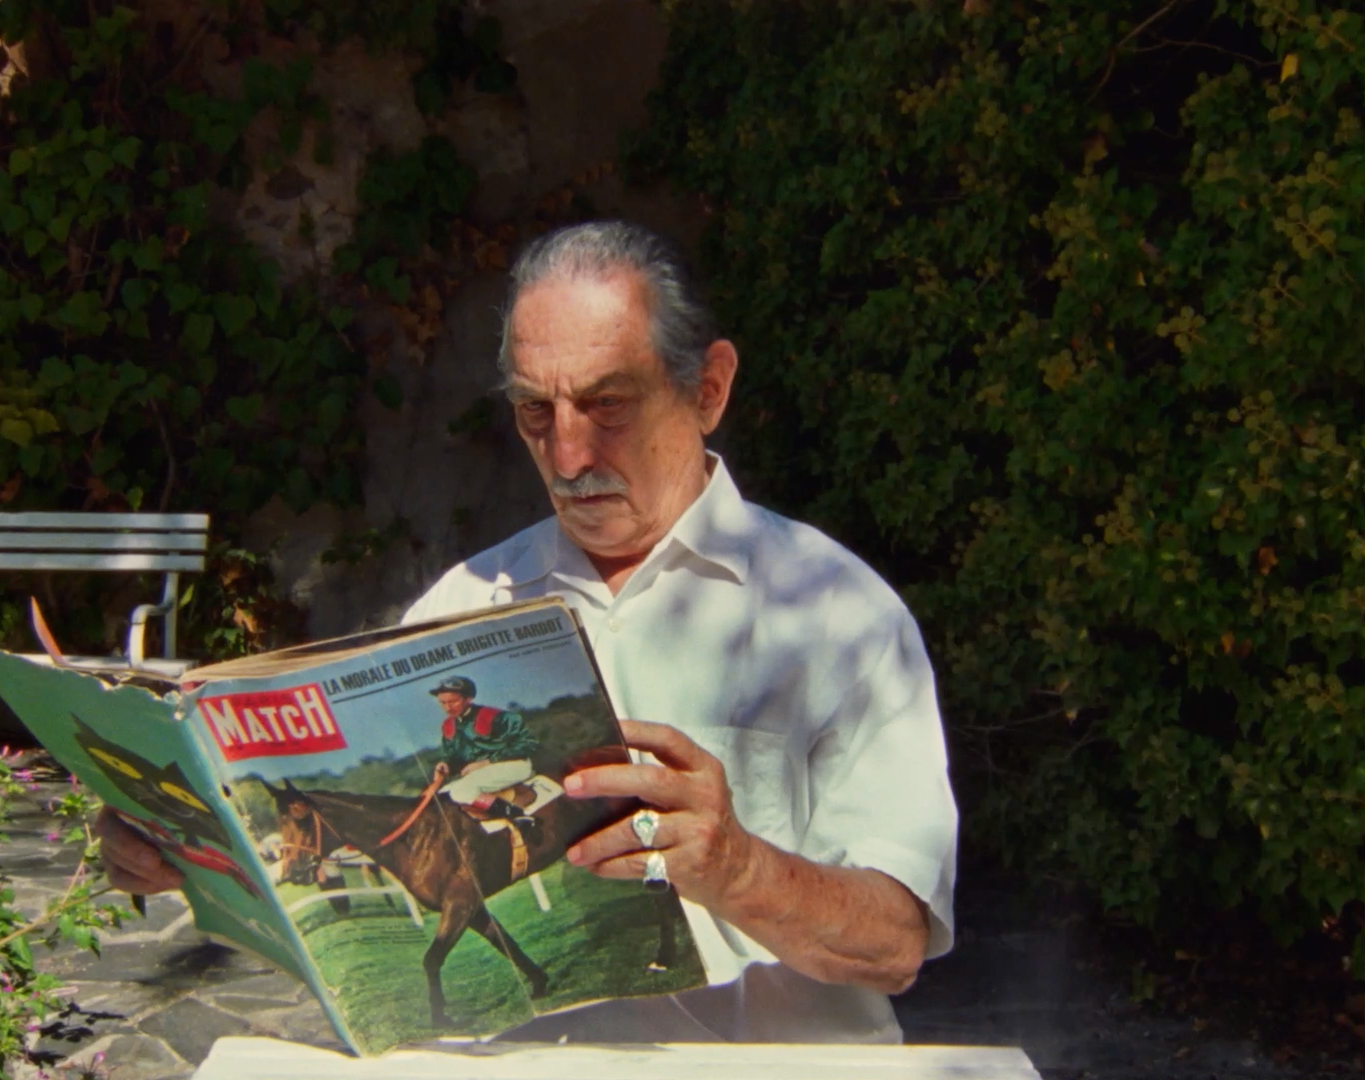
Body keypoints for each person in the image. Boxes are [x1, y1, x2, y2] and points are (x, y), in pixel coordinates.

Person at [96, 219, 958, 1044]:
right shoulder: (461, 604)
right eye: (534, 413)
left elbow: (893, 942)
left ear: (708, 389)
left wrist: (740, 870)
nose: (569, 455)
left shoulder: (837, 614)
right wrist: (194, 849)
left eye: (607, 404)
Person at [426, 675, 541, 833]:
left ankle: (519, 816)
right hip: (482, 773)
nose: (447, 707)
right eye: (442, 703)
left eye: (453, 701)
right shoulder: (448, 725)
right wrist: (446, 765)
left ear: (469, 698)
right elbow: (453, 757)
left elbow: (528, 744)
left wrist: (487, 762)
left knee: (461, 791)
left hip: (514, 764)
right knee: (441, 796)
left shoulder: (497, 716)